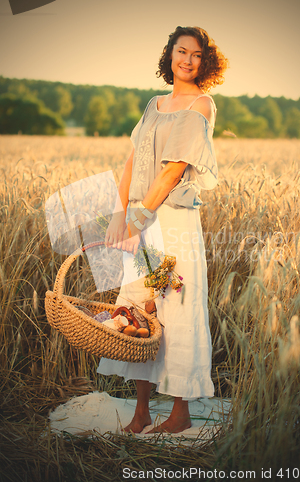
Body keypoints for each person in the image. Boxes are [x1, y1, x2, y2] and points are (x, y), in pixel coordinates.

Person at [97, 26, 228, 434]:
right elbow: (132, 163)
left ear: (205, 62)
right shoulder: (154, 104)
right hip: (142, 216)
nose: (187, 60)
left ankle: (179, 414)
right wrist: (122, 214)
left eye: (196, 55)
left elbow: (172, 171)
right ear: (169, 54)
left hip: (172, 220)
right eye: (181, 51)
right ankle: (141, 412)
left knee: (176, 303)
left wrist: (140, 218)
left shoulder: (202, 105)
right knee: (137, 304)